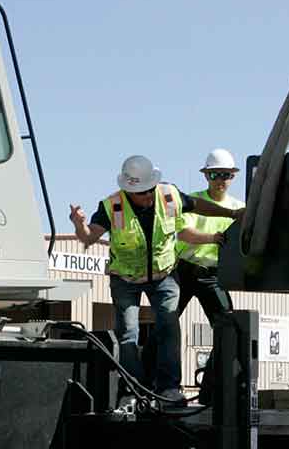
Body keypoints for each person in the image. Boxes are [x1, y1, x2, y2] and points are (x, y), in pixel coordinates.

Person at [68, 155, 244, 404]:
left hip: (164, 275)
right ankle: (134, 391)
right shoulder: (112, 206)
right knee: (128, 333)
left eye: (150, 189)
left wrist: (231, 214)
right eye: (142, 193)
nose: (149, 196)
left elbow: (196, 207)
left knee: (169, 327)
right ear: (128, 189)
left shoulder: (168, 195)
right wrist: (80, 225)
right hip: (125, 279)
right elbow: (88, 238)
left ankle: (169, 389)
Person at [174, 149, 245, 326]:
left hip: (213, 274)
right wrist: (213, 238)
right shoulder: (193, 202)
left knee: (226, 324)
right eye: (214, 175)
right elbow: (183, 233)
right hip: (183, 270)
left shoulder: (240, 207)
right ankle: (151, 354)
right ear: (206, 176)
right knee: (165, 322)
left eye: (225, 175)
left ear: (232, 177)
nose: (220, 180)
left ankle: (221, 355)